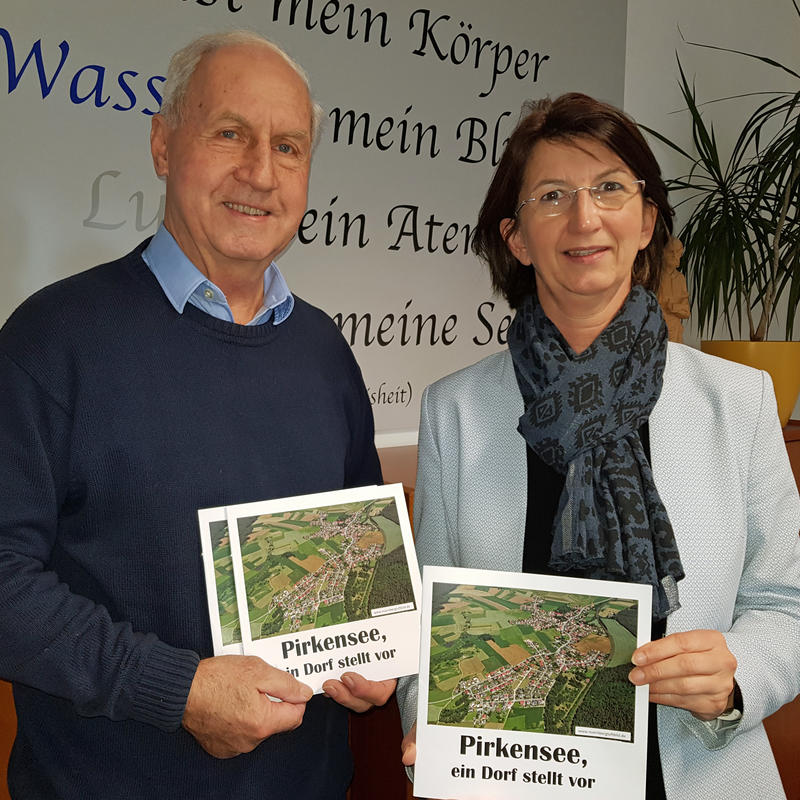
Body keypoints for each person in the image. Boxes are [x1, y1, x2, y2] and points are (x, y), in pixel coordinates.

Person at [0, 30, 394, 800]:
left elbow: (362, 555)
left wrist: (375, 650)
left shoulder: (324, 351)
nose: (261, 173)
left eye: (288, 147)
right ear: (162, 143)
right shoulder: (50, 341)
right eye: (230, 134)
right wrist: (174, 690)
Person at [397, 93, 800, 799]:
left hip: (695, 773)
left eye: (610, 188)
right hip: (512, 776)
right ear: (517, 238)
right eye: (553, 196)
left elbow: (788, 603)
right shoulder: (453, 410)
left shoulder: (737, 401)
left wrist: (738, 673)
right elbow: (428, 624)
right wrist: (427, 726)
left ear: (645, 222)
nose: (585, 218)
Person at [657, 236, 690, 342]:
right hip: (658, 330)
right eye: (671, 252)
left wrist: (673, 306)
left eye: (678, 252)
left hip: (675, 332)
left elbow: (686, 311)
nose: (675, 256)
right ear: (663, 253)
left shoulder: (680, 278)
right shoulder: (655, 277)